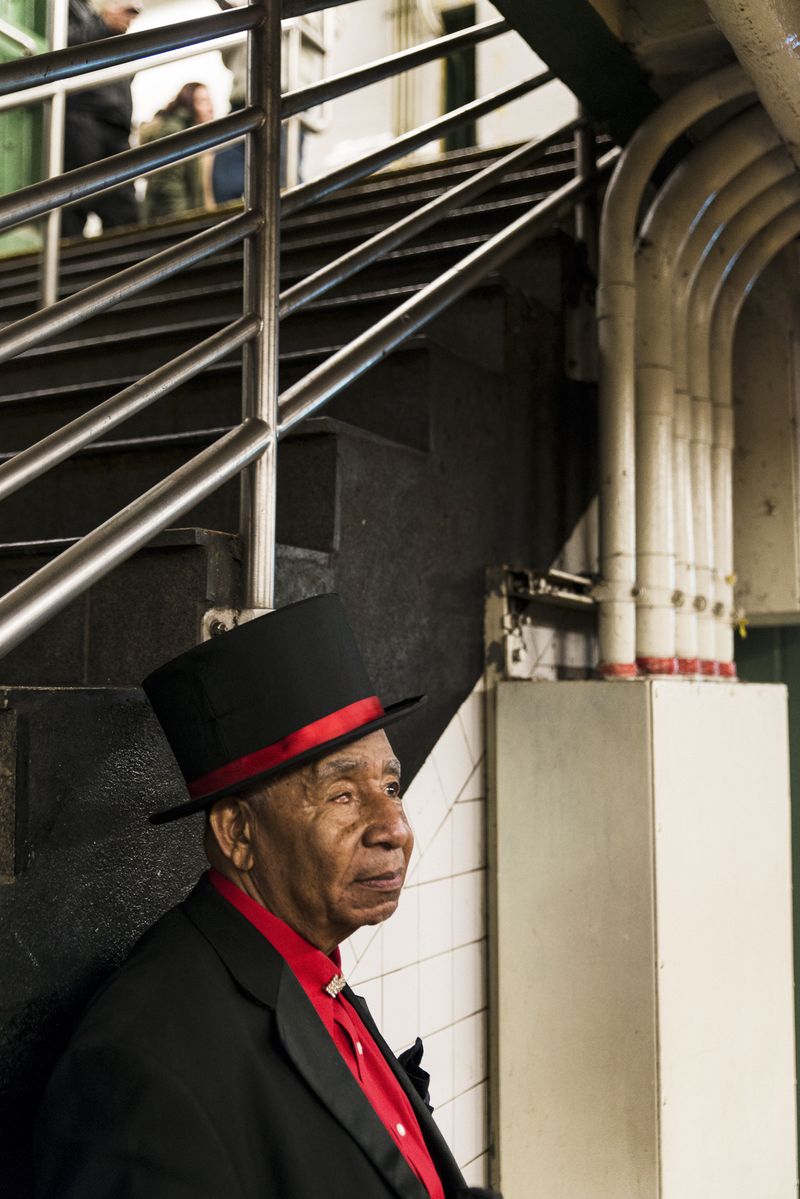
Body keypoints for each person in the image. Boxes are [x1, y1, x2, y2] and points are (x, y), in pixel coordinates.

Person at [34, 594, 499, 1199]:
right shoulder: (142, 1066)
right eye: (341, 795)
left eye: (391, 784)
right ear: (238, 834)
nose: (396, 827)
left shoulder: (309, 968)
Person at [63, 0, 141, 236]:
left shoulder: (87, 9)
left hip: (115, 122)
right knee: (74, 206)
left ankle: (129, 270)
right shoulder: (62, 6)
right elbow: (55, 47)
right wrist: (103, 24)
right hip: (83, 116)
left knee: (124, 211)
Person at [139, 81, 215, 221]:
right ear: (189, 104)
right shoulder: (175, 131)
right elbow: (169, 186)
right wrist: (184, 226)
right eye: (203, 101)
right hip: (169, 225)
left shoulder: (196, 136)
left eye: (210, 101)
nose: (211, 108)